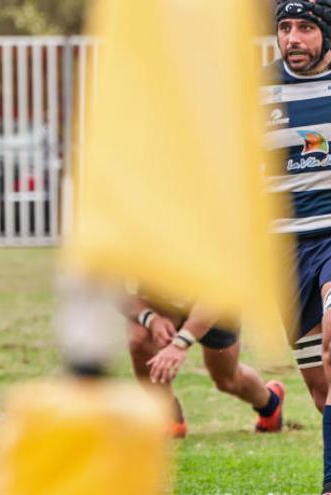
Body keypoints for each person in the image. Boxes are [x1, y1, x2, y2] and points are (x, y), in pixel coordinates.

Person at [265, 1, 331, 493]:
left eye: (306, 27)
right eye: (285, 28)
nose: (293, 39)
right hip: (283, 250)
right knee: (320, 386)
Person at [123, 293, 284, 438]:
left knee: (227, 380)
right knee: (139, 340)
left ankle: (270, 404)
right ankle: (169, 416)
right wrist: (151, 318)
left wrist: (180, 343)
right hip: (162, 302)